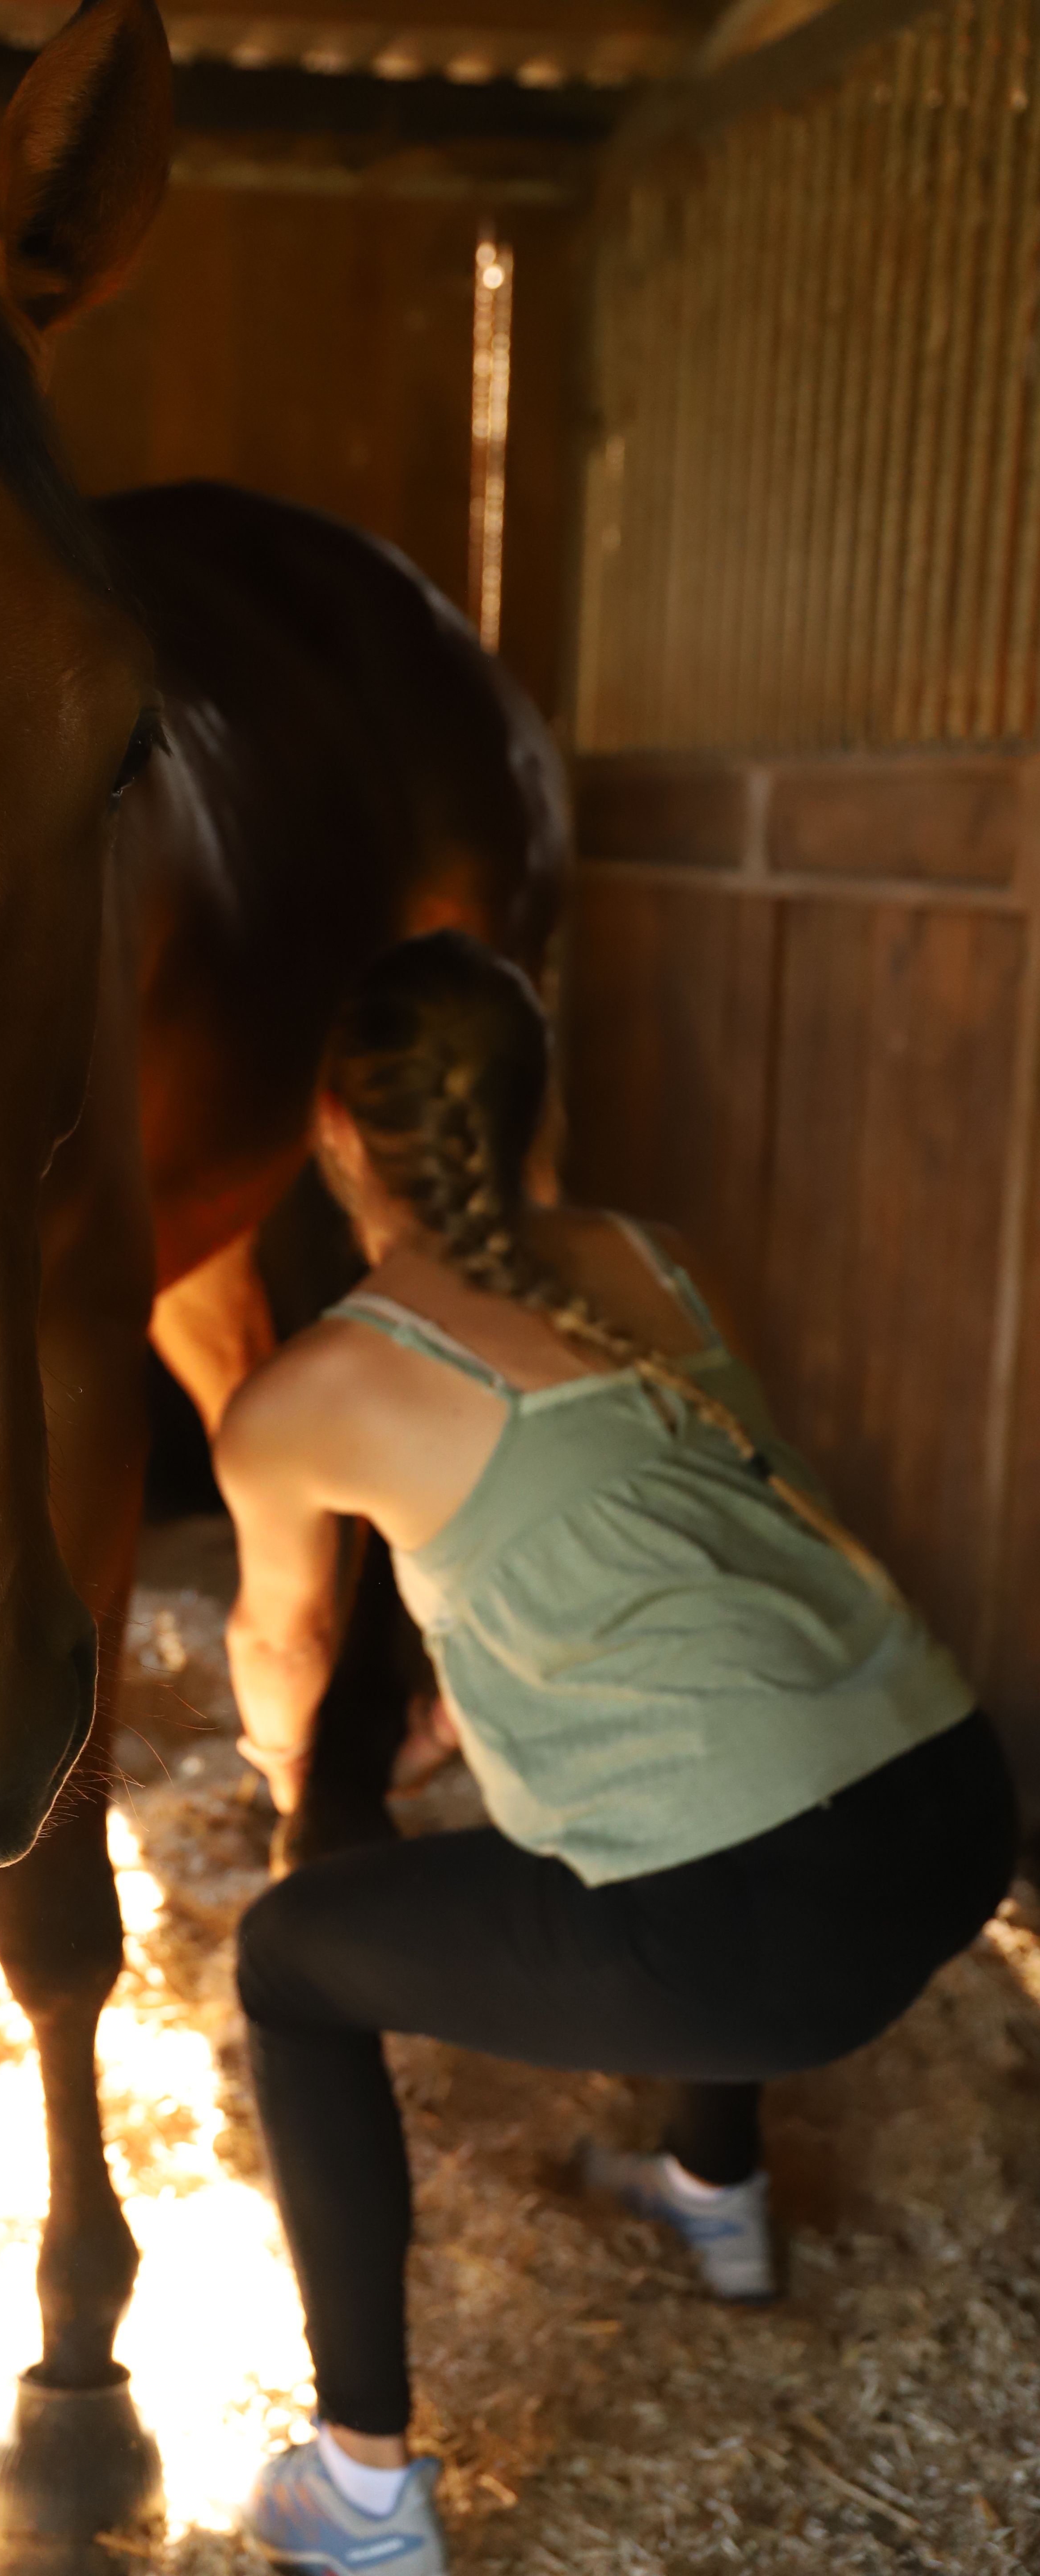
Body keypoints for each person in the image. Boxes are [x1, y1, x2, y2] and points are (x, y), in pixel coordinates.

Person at [214, 931, 1017, 2576]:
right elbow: (668, 1565)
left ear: (336, 1132)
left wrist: (292, 1765)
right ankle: (711, 2187)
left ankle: (362, 2487)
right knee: (697, 1780)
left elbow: (284, 1653)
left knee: (292, 1961)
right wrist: (477, 1699)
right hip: (952, 1806)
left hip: (764, 1937)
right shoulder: (657, 1258)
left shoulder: (313, 1389)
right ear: (530, 1105)